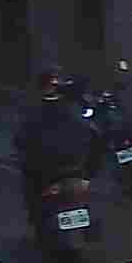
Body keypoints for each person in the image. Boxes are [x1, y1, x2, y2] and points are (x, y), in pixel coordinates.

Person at [14, 69, 98, 233]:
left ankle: (39, 217)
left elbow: (22, 138)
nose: (53, 87)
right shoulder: (69, 106)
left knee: (32, 183)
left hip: (57, 168)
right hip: (69, 167)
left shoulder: (38, 108)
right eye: (52, 84)